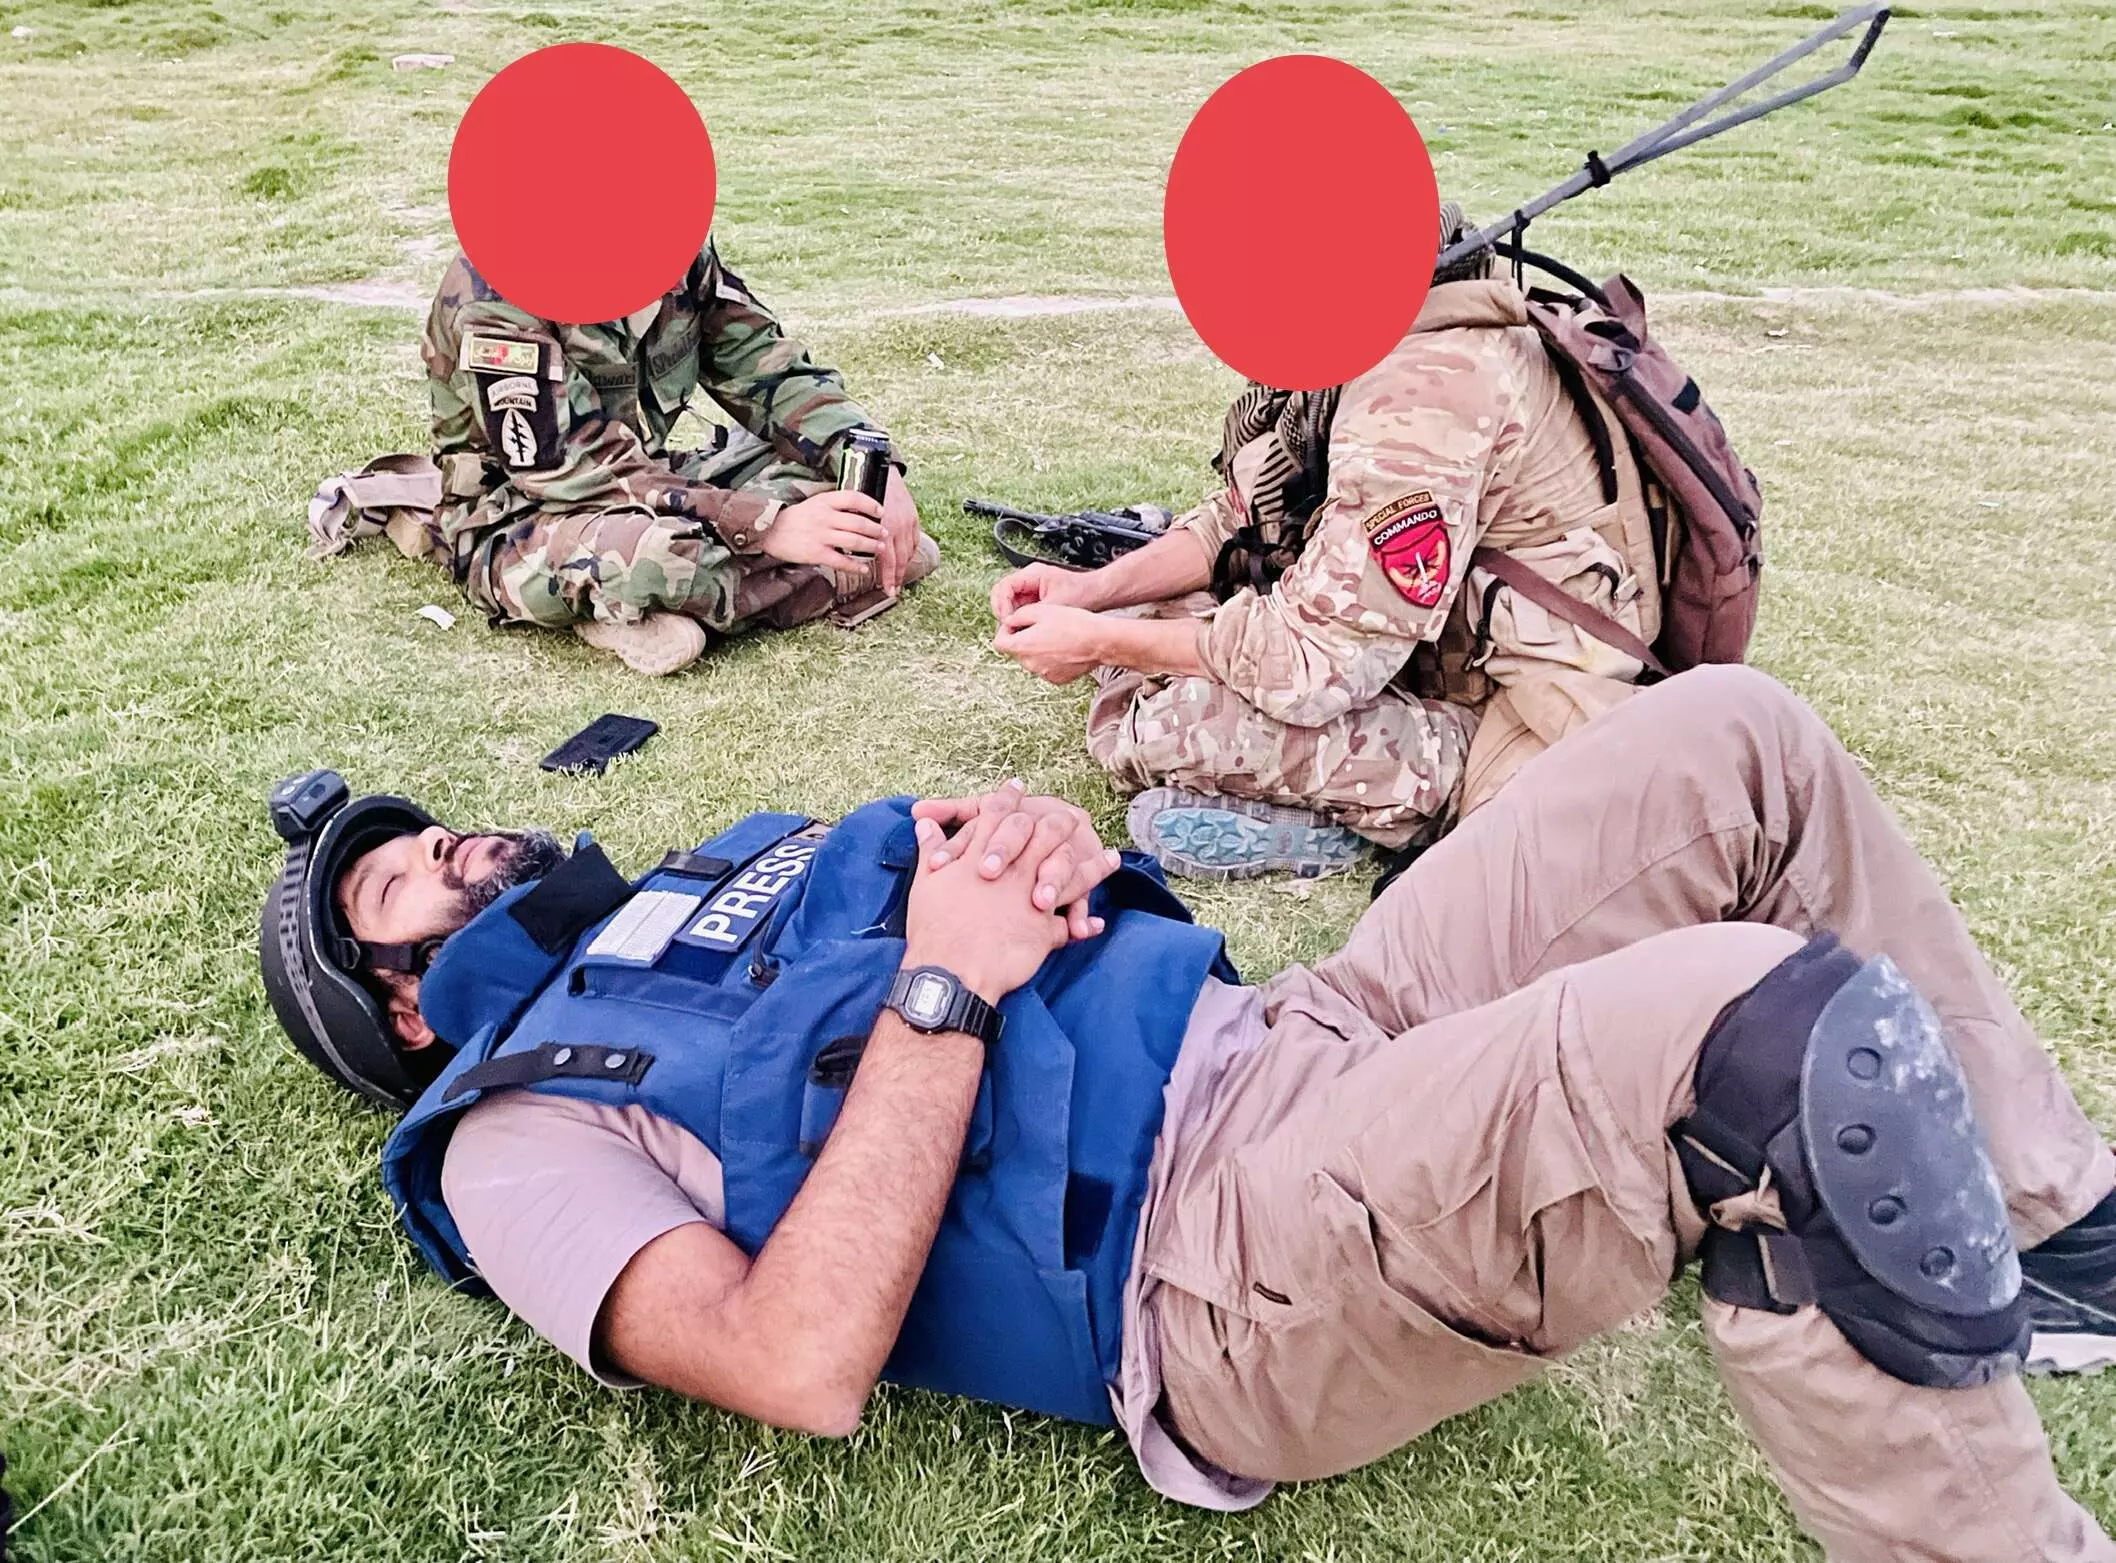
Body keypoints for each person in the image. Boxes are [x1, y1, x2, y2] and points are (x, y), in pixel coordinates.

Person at [259, 666, 2116, 1560]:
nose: (446, 845)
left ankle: (2052, 1248)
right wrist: (949, 978)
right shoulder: (511, 1137)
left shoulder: (702, 884)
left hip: (1294, 1025)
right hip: (1212, 1265)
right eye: (400, 885)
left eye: (428, 829)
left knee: (1732, 740)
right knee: (1768, 1047)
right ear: (404, 1008)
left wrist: (1035, 844)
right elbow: (791, 1358)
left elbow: (972, 887)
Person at [990, 209, 1666, 878]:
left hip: (1516, 727)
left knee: (1170, 726)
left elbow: (1313, 666)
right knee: (1150, 622)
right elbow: (1241, 517)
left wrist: (1100, 642)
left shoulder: (1425, 392)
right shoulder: (1385, 324)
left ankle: (1365, 823)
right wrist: (1092, 592)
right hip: (1412, 656)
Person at [310, 242, 938, 676]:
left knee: (826, 474)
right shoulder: (493, 298)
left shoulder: (679, 254)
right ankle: (820, 572)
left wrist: (868, 461)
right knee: (654, 557)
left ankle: (704, 600)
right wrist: (767, 525)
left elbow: (768, 370)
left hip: (652, 482)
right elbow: (572, 469)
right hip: (524, 518)